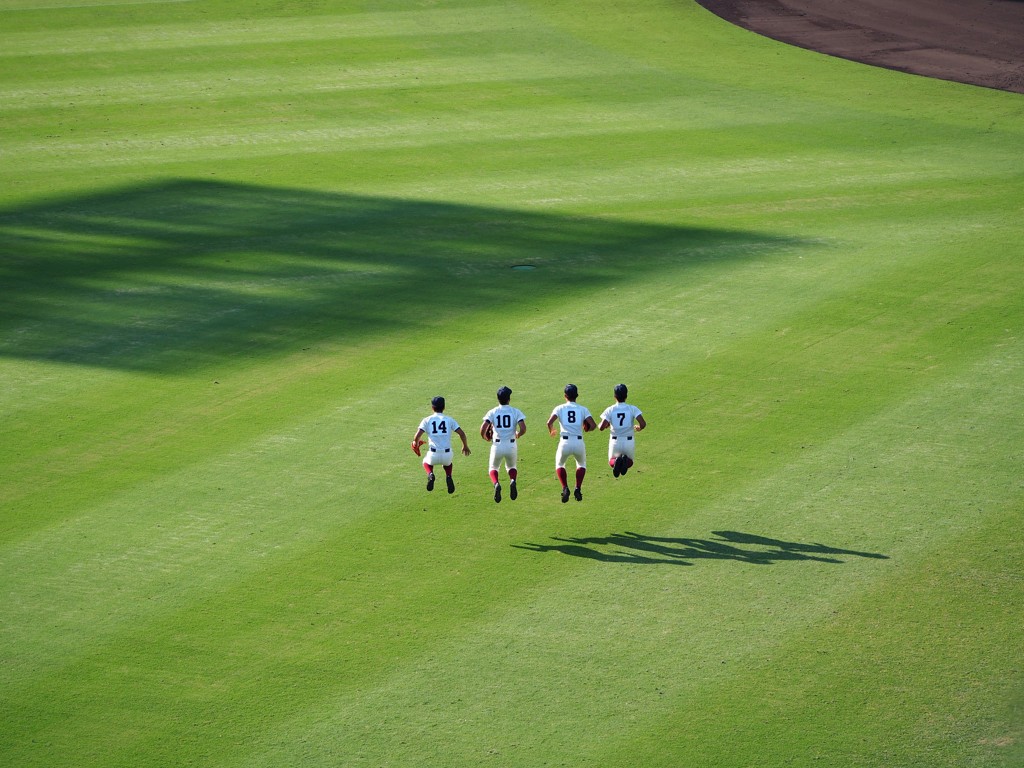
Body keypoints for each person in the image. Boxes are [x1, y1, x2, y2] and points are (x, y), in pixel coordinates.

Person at [546, 383, 597, 502]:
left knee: (560, 464)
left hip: (565, 442)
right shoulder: (583, 409)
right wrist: (587, 428)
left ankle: (565, 488)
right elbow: (593, 425)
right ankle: (578, 488)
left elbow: (549, 422)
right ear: (577, 395)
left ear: (565, 396)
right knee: (581, 465)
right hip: (579, 441)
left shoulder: (559, 408)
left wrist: (551, 430)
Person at [411, 396, 471, 494]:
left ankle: (430, 474)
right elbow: (462, 434)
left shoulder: (427, 420)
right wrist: (465, 446)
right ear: (444, 407)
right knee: (448, 463)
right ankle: (448, 476)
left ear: (432, 407)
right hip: (447, 455)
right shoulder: (449, 420)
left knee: (426, 462)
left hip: (433, 455)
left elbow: (417, 436)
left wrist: (415, 443)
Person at [480, 386, 527, 503]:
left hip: (497, 445)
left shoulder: (493, 411)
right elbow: (523, 428)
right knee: (511, 467)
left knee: (493, 468)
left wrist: (485, 436)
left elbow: (483, 428)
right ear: (509, 399)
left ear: (498, 399)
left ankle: (496, 483)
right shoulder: (515, 411)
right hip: (511, 445)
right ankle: (512, 480)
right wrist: (518, 434)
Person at [599, 383, 647, 477]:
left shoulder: (610, 409)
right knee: (630, 462)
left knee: (611, 461)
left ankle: (617, 461)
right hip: (629, 441)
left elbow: (601, 427)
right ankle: (625, 461)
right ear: (626, 396)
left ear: (614, 396)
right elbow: (643, 423)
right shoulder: (632, 408)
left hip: (615, 441)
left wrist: (605, 424)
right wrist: (639, 428)